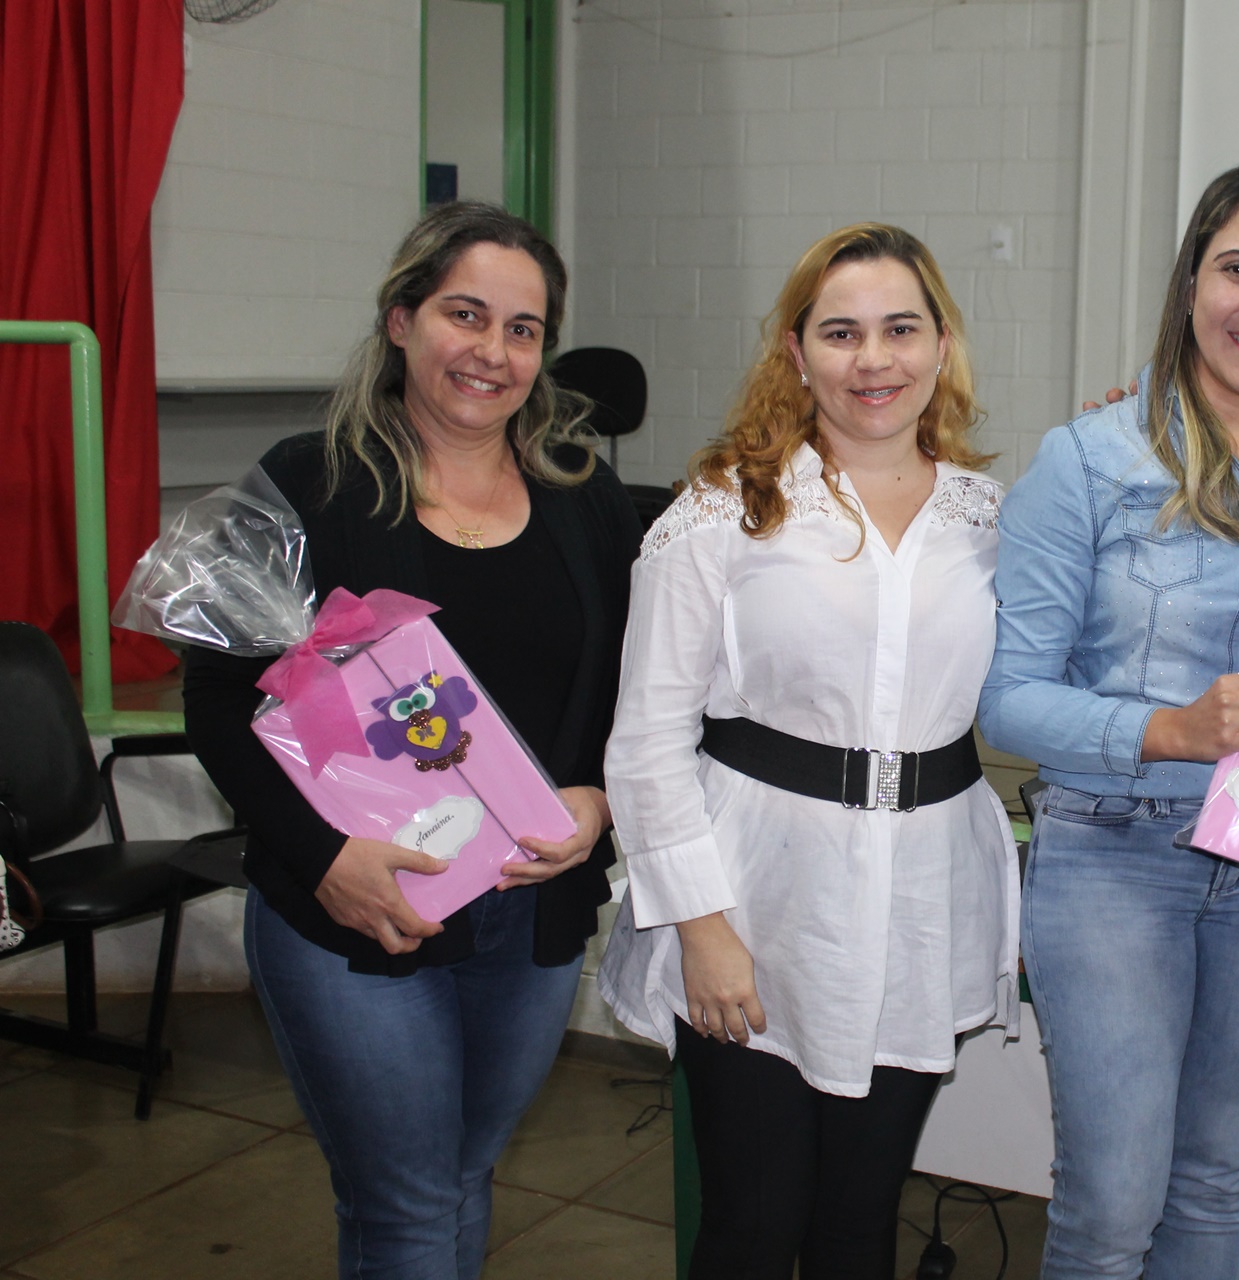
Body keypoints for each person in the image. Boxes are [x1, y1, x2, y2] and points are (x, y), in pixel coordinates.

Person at [183, 202, 642, 1279]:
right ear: (401, 320)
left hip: (529, 909)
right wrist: (324, 859)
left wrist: (601, 799)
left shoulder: (584, 497)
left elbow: (638, 689)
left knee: (465, 1176)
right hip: (355, 911)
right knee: (405, 1205)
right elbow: (214, 698)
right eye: (464, 314)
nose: (492, 352)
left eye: (523, 329)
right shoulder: (309, 482)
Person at [980, 160, 1239, 1279]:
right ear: (1192, 283)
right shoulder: (1087, 459)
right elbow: (1005, 697)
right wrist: (1173, 730)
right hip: (1116, 860)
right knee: (1113, 1208)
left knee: (1216, 1184)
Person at [594, 223, 1020, 1279]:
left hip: (918, 912)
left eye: (900, 329)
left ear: (942, 345)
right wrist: (701, 925)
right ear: (796, 352)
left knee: (858, 1226)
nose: (873, 359)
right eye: (840, 332)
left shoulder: (988, 518)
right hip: (757, 909)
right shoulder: (724, 510)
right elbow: (646, 739)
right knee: (754, 1224)